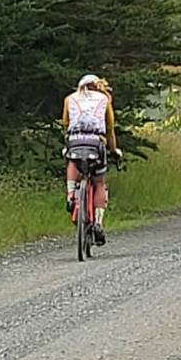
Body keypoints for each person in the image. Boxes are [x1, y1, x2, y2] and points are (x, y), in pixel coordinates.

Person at [62, 73, 119, 244]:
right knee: (99, 182)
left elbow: (65, 124)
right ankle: (98, 222)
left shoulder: (70, 99)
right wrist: (114, 150)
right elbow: (109, 129)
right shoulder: (104, 100)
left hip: (75, 141)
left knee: (72, 160)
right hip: (96, 142)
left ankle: (71, 195)